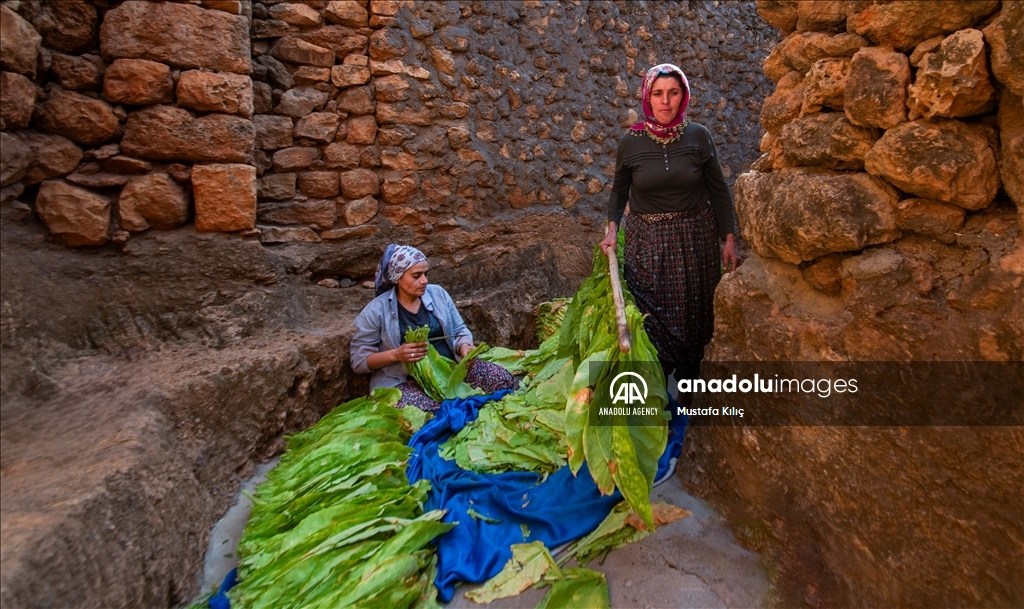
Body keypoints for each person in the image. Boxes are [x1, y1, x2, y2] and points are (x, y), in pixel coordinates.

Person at [598, 63, 740, 388]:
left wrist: (729, 239)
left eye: (673, 93)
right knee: (651, 319)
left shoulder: (699, 137)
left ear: (683, 95)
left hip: (695, 244)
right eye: (658, 93)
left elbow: (719, 190)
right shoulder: (630, 143)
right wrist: (612, 230)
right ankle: (658, 395)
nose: (665, 101)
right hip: (646, 243)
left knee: (696, 319)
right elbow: (619, 192)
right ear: (648, 97)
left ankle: (692, 391)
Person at [350, 244, 514, 411]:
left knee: (502, 379)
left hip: (449, 370)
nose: (424, 281)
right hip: (403, 380)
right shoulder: (376, 310)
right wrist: (396, 354)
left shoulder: (438, 294)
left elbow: (459, 331)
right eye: (416, 276)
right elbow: (359, 361)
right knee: (432, 410)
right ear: (397, 277)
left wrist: (464, 347)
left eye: (425, 274)